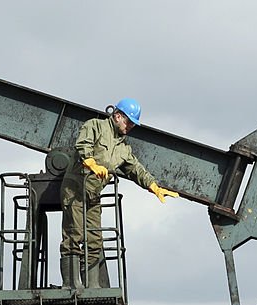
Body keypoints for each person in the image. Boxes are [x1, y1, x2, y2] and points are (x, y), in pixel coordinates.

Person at [60, 98, 178, 289]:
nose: (131, 126)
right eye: (129, 121)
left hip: (93, 195)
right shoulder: (95, 126)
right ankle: (71, 284)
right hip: (75, 191)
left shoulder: (123, 148)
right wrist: (90, 162)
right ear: (117, 116)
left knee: (95, 239)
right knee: (74, 235)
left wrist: (154, 186)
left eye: (133, 123)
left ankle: (91, 284)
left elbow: (136, 169)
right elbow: (83, 144)